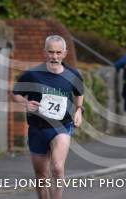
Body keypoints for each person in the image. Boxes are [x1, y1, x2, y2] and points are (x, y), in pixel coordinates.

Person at [12, 35, 84, 199]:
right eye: (51, 52)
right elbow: (15, 94)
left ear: (65, 53)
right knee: (41, 175)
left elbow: (80, 93)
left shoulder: (73, 75)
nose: (55, 56)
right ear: (45, 52)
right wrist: (26, 103)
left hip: (61, 127)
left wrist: (79, 110)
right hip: (38, 128)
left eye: (58, 52)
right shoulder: (32, 74)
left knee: (58, 168)